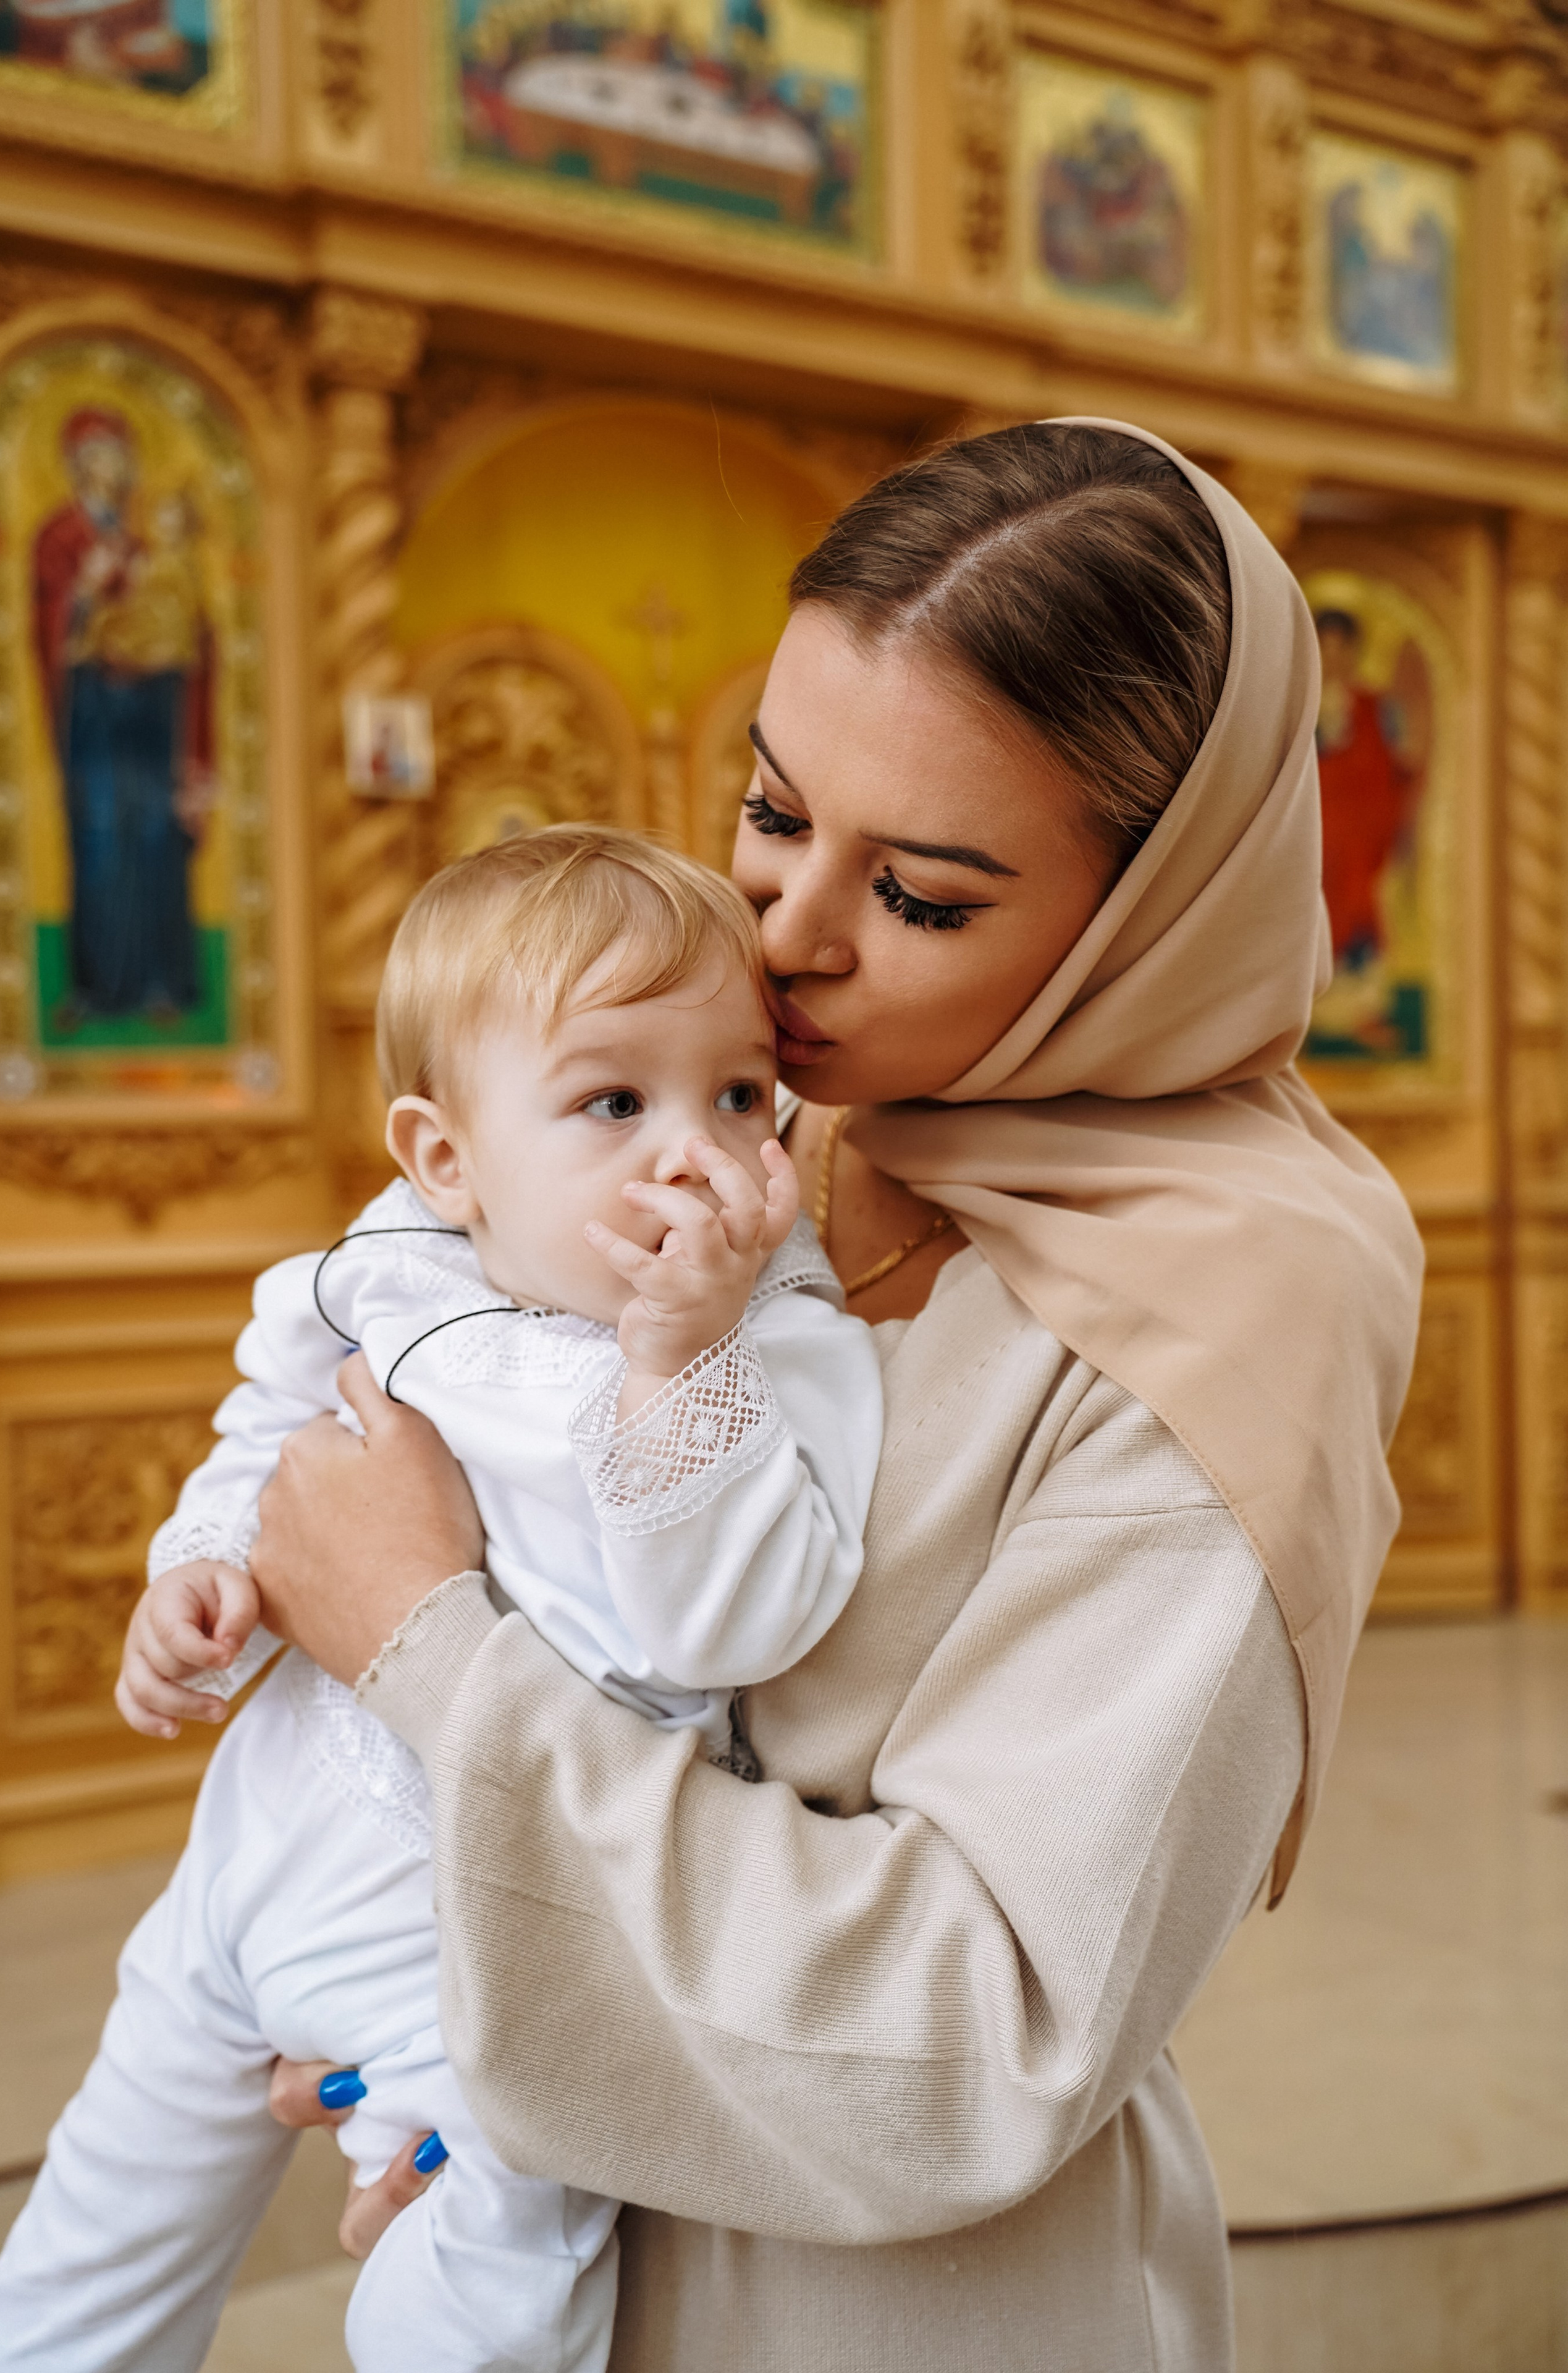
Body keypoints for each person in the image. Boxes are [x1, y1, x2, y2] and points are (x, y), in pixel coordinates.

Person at [217, 421, 1429, 2370]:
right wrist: (433, 1999)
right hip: (604, 2207)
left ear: (1149, 912)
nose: (782, 941)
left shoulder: (1238, 1296)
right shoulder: (784, 1125)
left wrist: (425, 1658)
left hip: (906, 2302)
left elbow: (981, 2023)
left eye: (925, 895)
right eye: (772, 811)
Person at [0, 831, 882, 2373]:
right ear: (445, 1156)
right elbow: (269, 1430)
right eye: (615, 1100)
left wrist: (679, 1366)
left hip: (482, 1945)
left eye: (738, 1094)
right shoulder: (389, 1269)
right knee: (87, 2257)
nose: (693, 1153)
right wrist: (198, 1566)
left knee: (498, 2262)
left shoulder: (775, 1344)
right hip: (250, 1863)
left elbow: (727, 1629)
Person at [32, 411, 213, 1028]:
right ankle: (98, 986)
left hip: (151, 713)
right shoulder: (61, 536)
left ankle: (163, 983)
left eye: (119, 456)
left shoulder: (144, 545)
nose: (112, 469)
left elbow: (191, 627)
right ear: (79, 464)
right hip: (96, 716)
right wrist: (86, 592)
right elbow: (50, 621)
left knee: (158, 839)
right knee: (101, 841)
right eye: (98, 456)